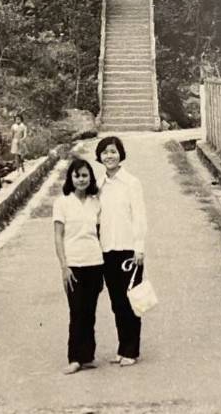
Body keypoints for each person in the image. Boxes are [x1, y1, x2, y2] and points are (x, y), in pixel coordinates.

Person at [95, 135, 147, 367]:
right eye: (105, 152)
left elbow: (139, 216)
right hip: (107, 249)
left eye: (113, 152)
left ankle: (131, 350)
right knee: (116, 302)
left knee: (131, 301)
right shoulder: (99, 186)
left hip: (129, 250)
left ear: (121, 154)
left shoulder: (131, 183)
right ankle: (122, 347)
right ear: (99, 157)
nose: (109, 156)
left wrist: (139, 247)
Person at [52, 157, 104, 375]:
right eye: (77, 176)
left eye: (85, 175)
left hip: (95, 262)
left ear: (90, 178)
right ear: (70, 178)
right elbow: (58, 236)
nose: (81, 179)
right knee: (76, 311)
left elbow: (100, 233)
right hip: (73, 264)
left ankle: (88, 356)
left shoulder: (96, 202)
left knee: (90, 312)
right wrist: (64, 266)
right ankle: (74, 358)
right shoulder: (62, 203)